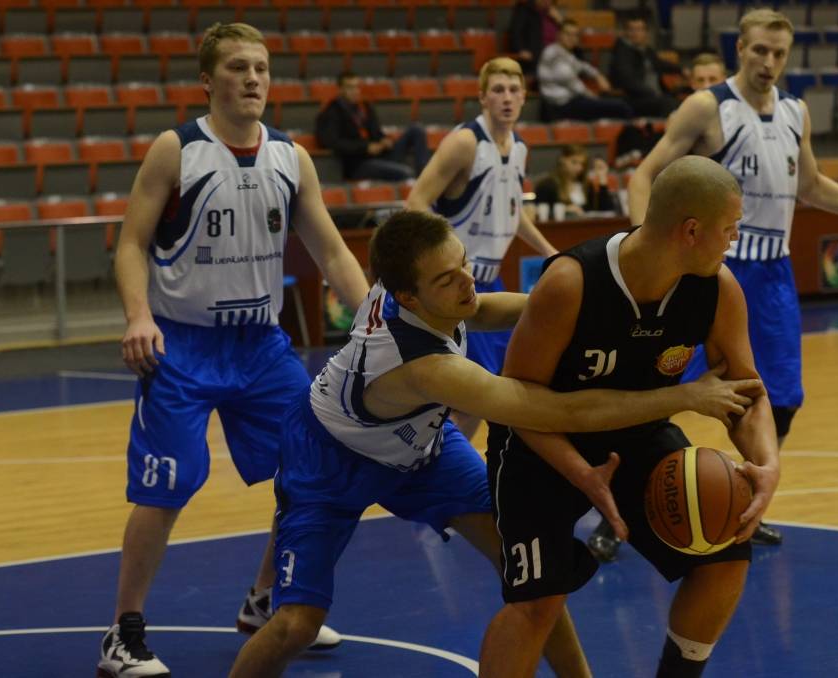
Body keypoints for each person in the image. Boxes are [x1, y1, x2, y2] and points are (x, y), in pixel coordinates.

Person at [228, 209, 764, 677]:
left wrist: (572, 304)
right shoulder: (425, 366)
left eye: (464, 263)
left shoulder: (424, 293)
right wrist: (686, 395)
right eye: (449, 278)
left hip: (421, 446)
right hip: (328, 459)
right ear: (408, 297)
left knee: (535, 579)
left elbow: (482, 309)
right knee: (297, 625)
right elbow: (554, 411)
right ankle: (261, 612)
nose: (468, 281)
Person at [97, 23, 371, 678]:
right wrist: (138, 316)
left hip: (261, 347)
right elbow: (131, 243)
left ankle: (265, 598)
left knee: (311, 471)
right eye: (238, 67)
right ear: (207, 80)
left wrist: (376, 322)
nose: (253, 79)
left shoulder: (291, 157)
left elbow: (333, 252)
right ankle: (123, 635)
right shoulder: (177, 150)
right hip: (182, 345)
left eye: (262, 68)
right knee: (168, 485)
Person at [625, 7, 838, 548]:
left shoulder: (795, 111)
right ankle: (621, 513)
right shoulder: (708, 106)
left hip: (774, 275)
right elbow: (645, 174)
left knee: (779, 398)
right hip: (709, 272)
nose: (769, 61)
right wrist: (643, 249)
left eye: (779, 53)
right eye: (760, 50)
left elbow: (812, 186)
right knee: (655, 387)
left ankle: (747, 499)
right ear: (740, 49)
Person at [478, 155, 779, 678]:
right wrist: (581, 473)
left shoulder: (717, 288)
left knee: (726, 552)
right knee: (538, 601)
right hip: (540, 442)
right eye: (729, 228)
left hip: (636, 437)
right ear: (691, 231)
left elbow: (746, 392)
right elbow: (516, 399)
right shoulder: (571, 282)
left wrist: (768, 463)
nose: (735, 239)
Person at [406, 56, 559, 440]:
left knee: (485, 393)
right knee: (482, 393)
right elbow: (416, 201)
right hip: (458, 284)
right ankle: (437, 461)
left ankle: (443, 460)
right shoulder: (465, 142)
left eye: (513, 90)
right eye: (498, 90)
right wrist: (449, 258)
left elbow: (512, 210)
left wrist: (549, 250)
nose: (506, 98)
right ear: (482, 97)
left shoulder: (519, 148)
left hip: (491, 281)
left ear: (523, 97)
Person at [314, 71, 429, 182]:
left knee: (416, 129)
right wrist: (365, 147)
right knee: (406, 173)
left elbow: (377, 133)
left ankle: (425, 177)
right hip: (358, 164)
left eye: (357, 87)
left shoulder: (364, 107)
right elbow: (332, 142)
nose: (355, 91)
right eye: (350, 87)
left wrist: (384, 140)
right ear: (340, 89)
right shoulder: (331, 112)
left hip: (380, 155)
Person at [538, 19, 634, 122]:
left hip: (570, 102)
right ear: (559, 35)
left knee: (619, 103)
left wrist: (598, 75)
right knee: (621, 107)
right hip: (560, 107)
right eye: (568, 34)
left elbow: (582, 66)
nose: (571, 38)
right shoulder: (553, 53)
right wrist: (593, 97)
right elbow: (572, 83)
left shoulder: (565, 54)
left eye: (575, 35)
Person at [609, 10, 682, 118]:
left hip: (654, 96)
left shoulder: (646, 50)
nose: (635, 33)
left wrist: (681, 70)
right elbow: (627, 80)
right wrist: (651, 93)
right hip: (636, 99)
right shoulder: (622, 52)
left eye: (639, 29)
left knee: (682, 103)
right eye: (631, 30)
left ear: (646, 32)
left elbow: (659, 63)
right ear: (625, 32)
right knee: (668, 104)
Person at [533, 144, 617, 218]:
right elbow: (538, 211)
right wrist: (565, 209)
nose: (579, 168)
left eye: (582, 164)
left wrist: (602, 179)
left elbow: (606, 212)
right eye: (574, 162)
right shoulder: (547, 185)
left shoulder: (586, 185)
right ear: (562, 160)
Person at [507, 0, 564, 76]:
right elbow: (515, 33)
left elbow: (567, 35)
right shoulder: (525, 10)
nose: (546, 1)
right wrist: (521, 49)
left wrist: (560, 21)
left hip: (556, 56)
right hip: (535, 57)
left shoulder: (553, 13)